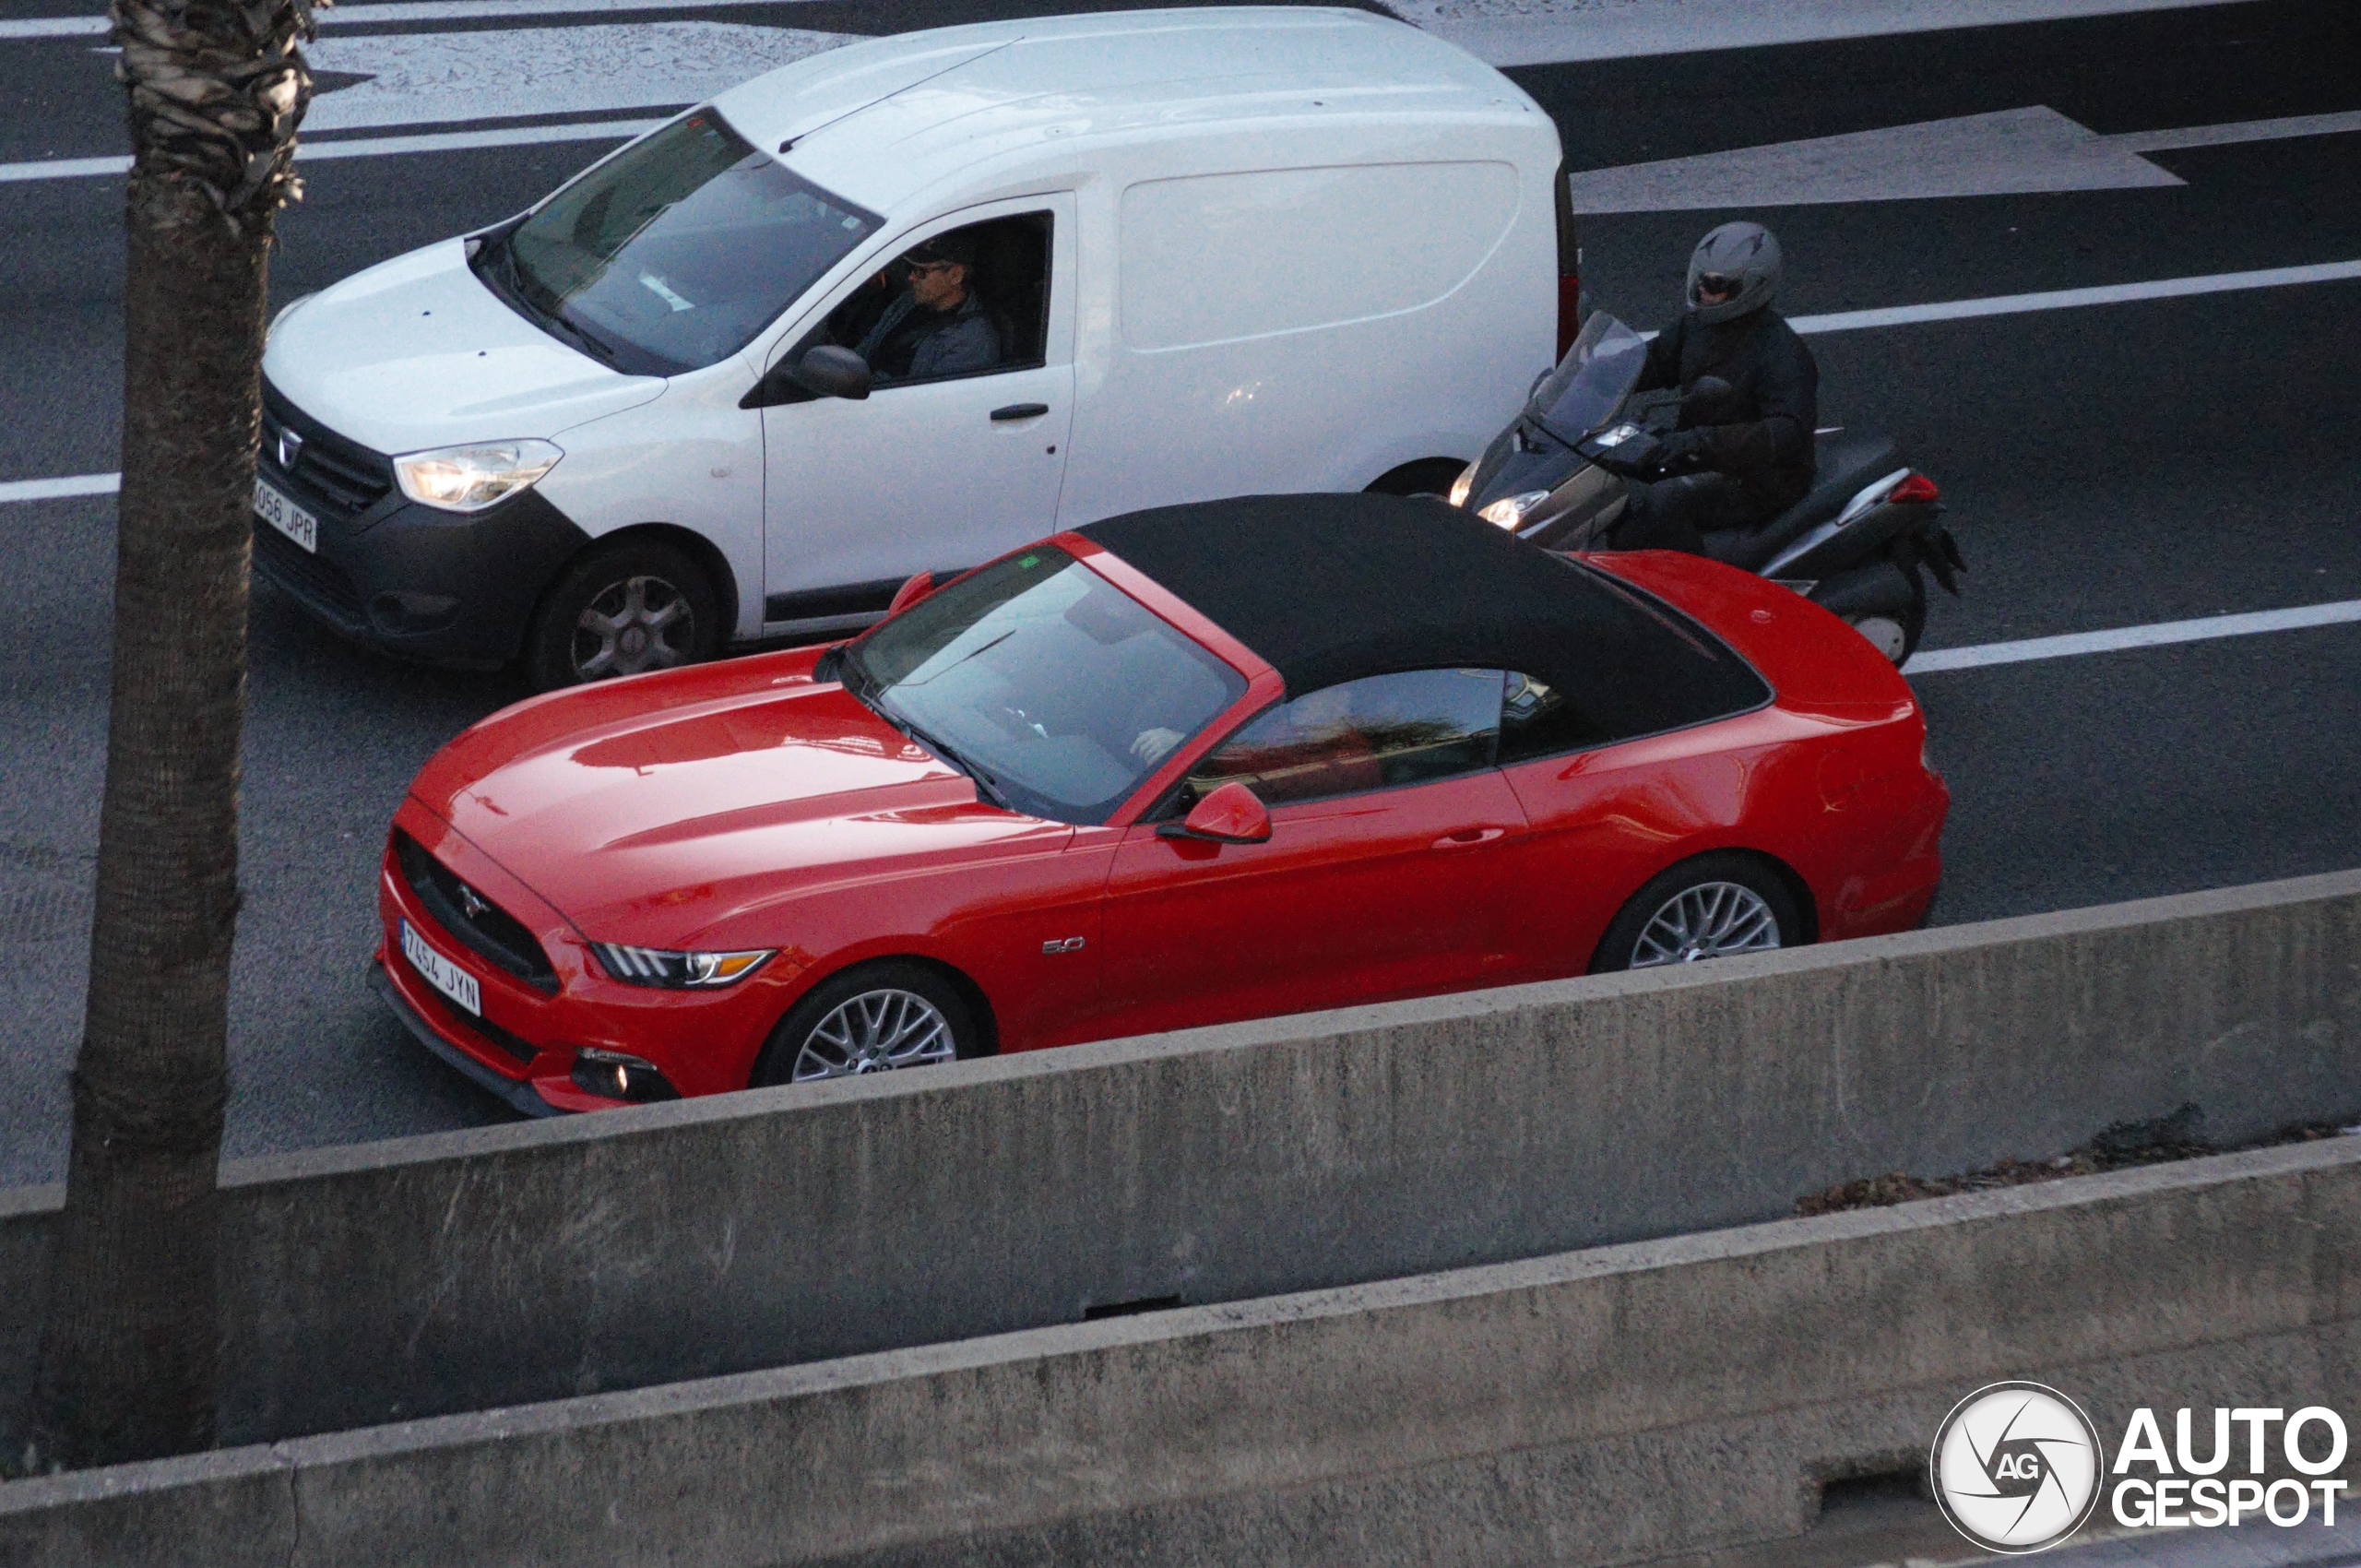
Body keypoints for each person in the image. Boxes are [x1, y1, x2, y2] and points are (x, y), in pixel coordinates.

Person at [1607, 221, 1818, 554]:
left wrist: (1701, 441)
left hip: (1760, 478)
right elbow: (1652, 362)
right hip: (1703, 455)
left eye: (1716, 285)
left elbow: (1787, 432)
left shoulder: (1782, 353)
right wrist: (1593, 377)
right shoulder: (1699, 326)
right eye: (1700, 279)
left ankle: (1695, 593)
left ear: (1752, 286)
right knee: (1619, 473)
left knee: (1665, 501)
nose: (1703, 291)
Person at [852, 232, 1002, 383]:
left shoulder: (971, 341)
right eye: (910, 268)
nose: (911, 277)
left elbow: (927, 399)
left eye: (921, 272)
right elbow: (867, 347)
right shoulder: (909, 302)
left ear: (955, 275)